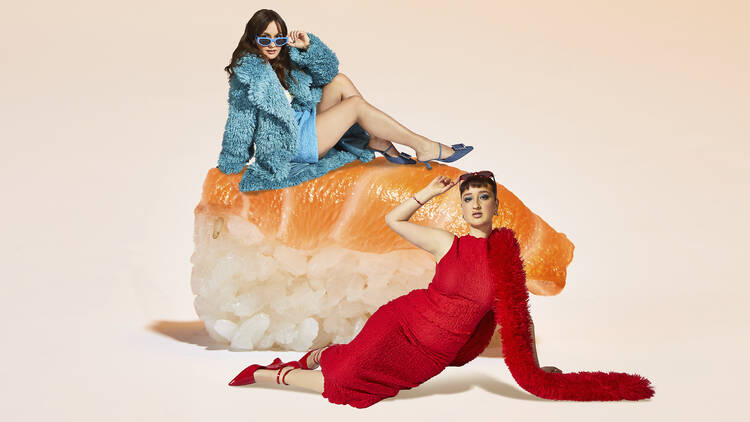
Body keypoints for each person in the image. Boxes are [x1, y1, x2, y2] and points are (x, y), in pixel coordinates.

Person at [228, 171, 562, 408]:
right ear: (461, 208)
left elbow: (521, 322)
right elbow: (394, 221)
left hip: (431, 355)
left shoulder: (505, 258)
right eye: (468, 198)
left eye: (484, 197)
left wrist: (533, 369)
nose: (475, 204)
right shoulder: (447, 243)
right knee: (343, 385)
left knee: (365, 385)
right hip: (402, 322)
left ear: (495, 206)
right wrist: (428, 193)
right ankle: (264, 375)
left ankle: (320, 356)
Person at [217, 9, 473, 192]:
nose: (272, 45)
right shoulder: (249, 76)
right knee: (355, 106)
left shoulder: (283, 61)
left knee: (339, 80)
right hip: (289, 143)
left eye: (278, 38)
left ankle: (374, 139)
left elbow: (327, 72)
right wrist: (231, 164)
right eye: (265, 39)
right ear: (253, 39)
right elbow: (240, 123)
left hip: (303, 124)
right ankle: (421, 145)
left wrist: (306, 48)